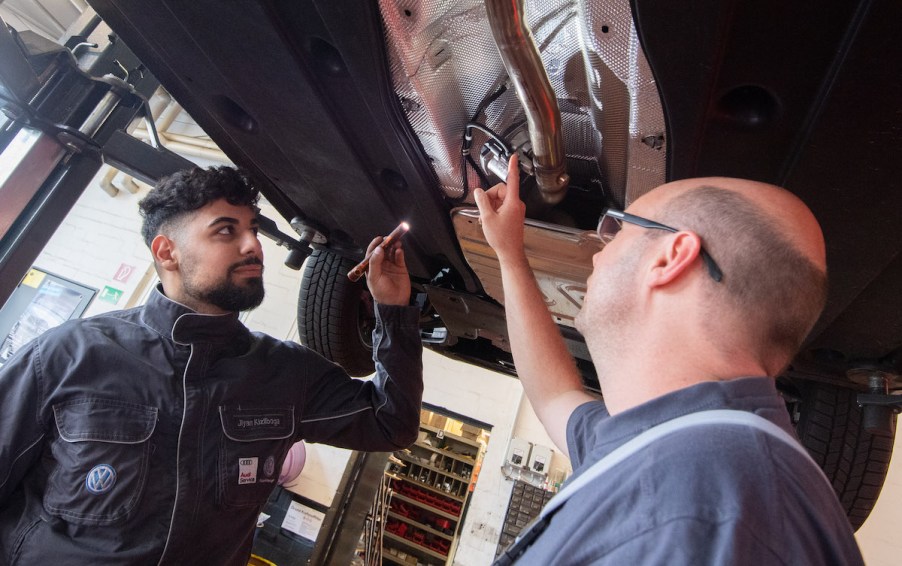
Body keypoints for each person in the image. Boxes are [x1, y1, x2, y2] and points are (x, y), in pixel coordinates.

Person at [0, 166, 423, 564]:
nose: (253, 245)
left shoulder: (286, 373)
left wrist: (392, 309)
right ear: (168, 252)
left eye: (253, 230)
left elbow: (392, 423)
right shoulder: (71, 354)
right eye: (226, 231)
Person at [475, 155, 863, 564]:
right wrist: (509, 253)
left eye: (618, 230)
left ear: (669, 257)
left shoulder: (696, 518)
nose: (597, 255)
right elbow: (554, 395)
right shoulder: (680, 446)